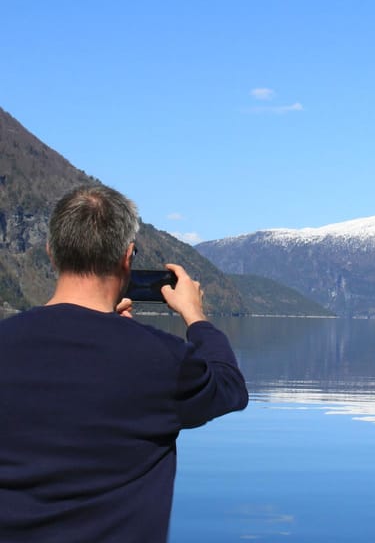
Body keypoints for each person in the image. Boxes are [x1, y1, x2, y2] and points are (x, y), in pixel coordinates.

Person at [0, 184, 248, 542]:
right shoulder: (161, 360)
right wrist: (195, 316)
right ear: (128, 257)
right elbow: (229, 388)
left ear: (52, 253)